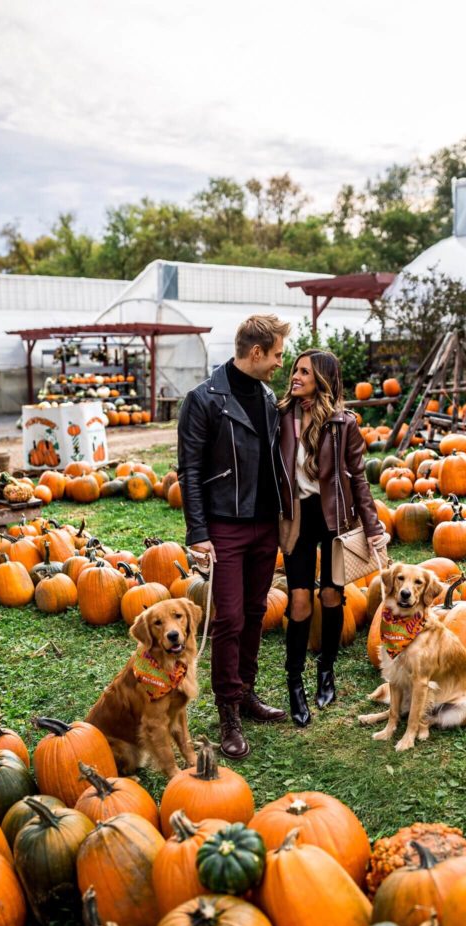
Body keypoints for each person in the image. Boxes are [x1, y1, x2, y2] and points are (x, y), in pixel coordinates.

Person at [177, 314, 292, 759]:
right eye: (278, 354)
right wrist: (199, 532)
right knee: (228, 619)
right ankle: (228, 710)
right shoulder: (204, 399)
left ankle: (245, 692)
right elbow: (189, 470)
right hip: (225, 524)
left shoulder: (266, 397)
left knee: (255, 609)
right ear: (257, 352)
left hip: (266, 523)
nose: (281, 363)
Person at [278, 349, 388, 727]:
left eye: (304, 372)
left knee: (331, 595)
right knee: (299, 602)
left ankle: (326, 670)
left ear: (322, 379)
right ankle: (295, 683)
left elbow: (358, 477)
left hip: (334, 519)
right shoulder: (281, 417)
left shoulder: (343, 424)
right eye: (294, 369)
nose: (295, 376)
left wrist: (373, 528)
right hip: (296, 518)